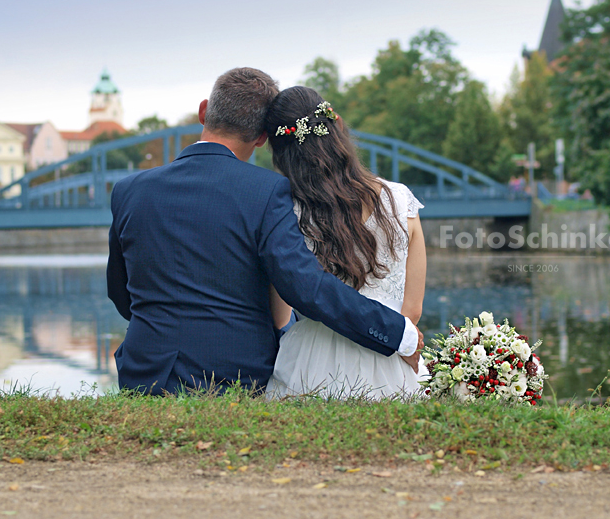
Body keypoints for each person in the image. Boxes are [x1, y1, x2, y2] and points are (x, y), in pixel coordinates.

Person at [106, 68, 423, 395]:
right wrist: (398, 333)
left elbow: (120, 291)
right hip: (232, 375)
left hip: (145, 370)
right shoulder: (266, 191)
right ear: (261, 138)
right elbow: (306, 287)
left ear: (204, 111)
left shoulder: (130, 190)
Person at [264, 86, 428, 399]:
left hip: (310, 361)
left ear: (279, 151)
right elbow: (413, 309)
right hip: (389, 356)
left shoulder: (286, 212)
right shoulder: (400, 199)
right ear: (337, 124)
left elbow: (279, 315)